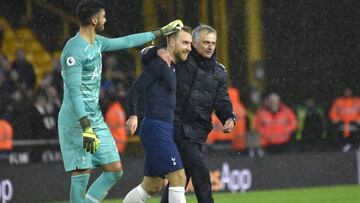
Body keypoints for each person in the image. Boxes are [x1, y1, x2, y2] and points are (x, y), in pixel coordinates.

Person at [57, 0, 184, 202]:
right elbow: (74, 93)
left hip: (95, 117)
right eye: (103, 16)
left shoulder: (97, 42)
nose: (106, 19)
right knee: (82, 173)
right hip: (76, 120)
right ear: (94, 19)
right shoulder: (74, 50)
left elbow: (126, 42)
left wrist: (160, 32)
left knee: (114, 170)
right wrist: (85, 127)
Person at [142, 24, 236, 203]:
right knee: (200, 173)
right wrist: (156, 51)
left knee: (180, 178)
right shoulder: (181, 59)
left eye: (213, 43)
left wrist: (229, 117)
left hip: (197, 132)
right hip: (176, 127)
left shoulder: (219, 72)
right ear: (193, 43)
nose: (210, 46)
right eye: (206, 42)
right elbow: (145, 55)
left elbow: (222, 100)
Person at [123, 26, 192, 203]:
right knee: (178, 177)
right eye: (185, 42)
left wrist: (153, 50)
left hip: (164, 127)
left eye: (190, 43)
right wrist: (133, 115)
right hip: (156, 127)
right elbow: (134, 90)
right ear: (171, 42)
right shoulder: (159, 64)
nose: (189, 47)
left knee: (152, 185)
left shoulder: (174, 66)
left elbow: (145, 53)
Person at [329, 88, 360, 152]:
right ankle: (345, 147)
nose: (348, 93)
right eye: (346, 91)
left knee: (355, 135)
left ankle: (354, 146)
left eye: (349, 91)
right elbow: (333, 111)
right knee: (342, 135)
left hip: (355, 122)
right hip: (342, 122)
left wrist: (358, 119)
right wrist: (335, 119)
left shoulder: (357, 101)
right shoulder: (338, 101)